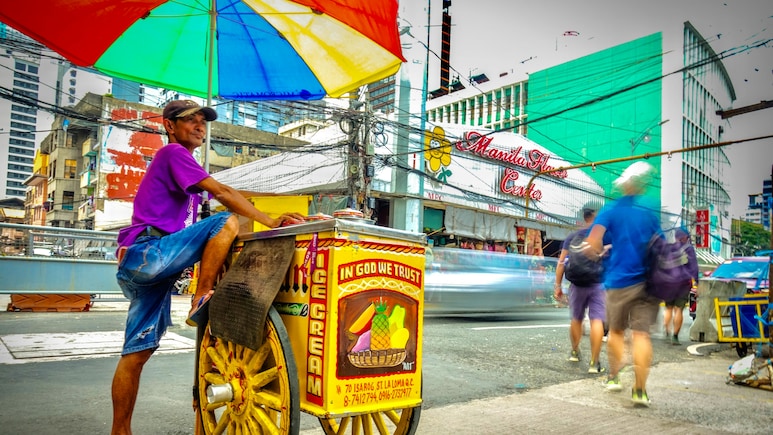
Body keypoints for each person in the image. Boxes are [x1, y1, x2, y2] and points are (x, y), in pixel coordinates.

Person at [110, 99, 305, 435]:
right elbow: (223, 194)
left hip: (145, 263)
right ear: (169, 126)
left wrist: (261, 207)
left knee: (136, 353)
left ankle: (120, 431)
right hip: (150, 251)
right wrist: (269, 221)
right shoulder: (173, 154)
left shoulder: (184, 169)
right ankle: (201, 296)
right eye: (190, 120)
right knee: (225, 222)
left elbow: (223, 192)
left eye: (203, 121)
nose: (200, 126)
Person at [585, 161, 661, 407]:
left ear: (624, 184)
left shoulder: (612, 209)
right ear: (642, 184)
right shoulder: (650, 208)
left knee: (616, 332)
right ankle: (640, 390)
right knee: (641, 335)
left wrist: (598, 251)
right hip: (647, 282)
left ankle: (614, 376)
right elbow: (658, 241)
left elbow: (593, 242)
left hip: (618, 280)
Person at [554, 203, 607, 374]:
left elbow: (561, 262)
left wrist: (558, 286)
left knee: (576, 319)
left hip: (576, 284)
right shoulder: (605, 236)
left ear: (584, 218)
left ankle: (575, 352)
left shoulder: (572, 237)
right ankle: (594, 362)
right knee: (596, 320)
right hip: (598, 283)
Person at [662, 227, 698, 345]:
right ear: (684, 237)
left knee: (668, 308)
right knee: (679, 310)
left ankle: (666, 333)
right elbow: (694, 267)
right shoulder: (689, 249)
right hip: (683, 283)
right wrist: (697, 282)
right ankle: (675, 337)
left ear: (676, 237)